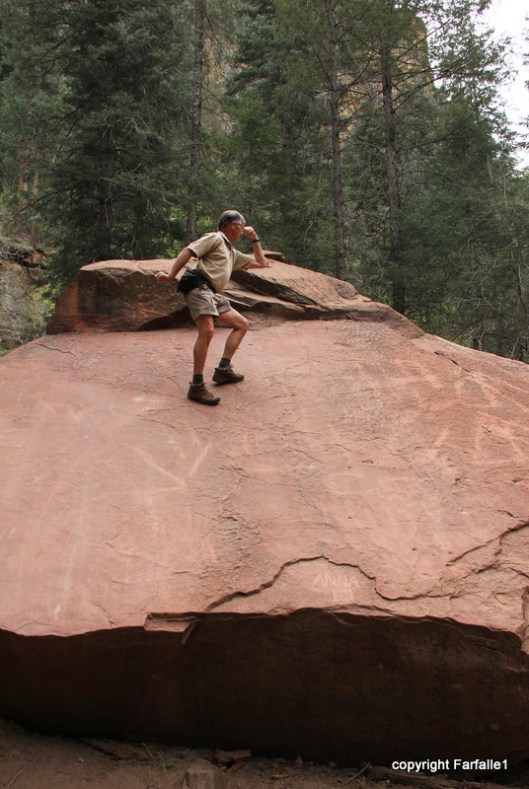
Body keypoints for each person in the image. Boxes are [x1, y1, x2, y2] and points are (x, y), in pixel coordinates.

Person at [156, 210, 272, 405]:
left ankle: (223, 370)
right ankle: (196, 386)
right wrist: (170, 275)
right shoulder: (216, 238)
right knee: (207, 331)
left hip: (212, 293)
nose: (242, 231)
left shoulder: (232, 253)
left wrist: (255, 239)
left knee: (242, 324)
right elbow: (188, 251)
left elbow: (262, 263)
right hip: (197, 285)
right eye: (242, 227)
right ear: (234, 225)